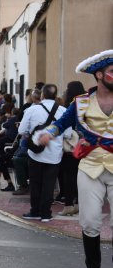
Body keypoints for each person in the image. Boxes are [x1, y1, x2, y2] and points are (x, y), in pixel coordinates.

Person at [37, 50, 113, 268]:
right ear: (99, 75)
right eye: (112, 72)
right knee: (89, 221)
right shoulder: (80, 103)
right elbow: (60, 124)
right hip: (90, 167)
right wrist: (47, 133)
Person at [19, 84, 69, 223]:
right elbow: (69, 134)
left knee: (35, 183)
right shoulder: (63, 111)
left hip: (35, 151)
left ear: (42, 95)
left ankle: (35, 211)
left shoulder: (32, 110)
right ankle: (46, 214)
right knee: (49, 184)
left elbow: (22, 130)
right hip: (55, 154)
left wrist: (33, 133)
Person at [56, 81, 85, 216]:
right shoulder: (86, 104)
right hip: (85, 146)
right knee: (82, 177)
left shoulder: (71, 105)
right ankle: (79, 203)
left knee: (69, 177)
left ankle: (68, 205)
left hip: (72, 145)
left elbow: (65, 126)